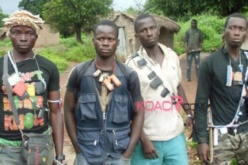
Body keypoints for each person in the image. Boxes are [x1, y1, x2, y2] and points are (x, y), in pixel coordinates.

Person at [64, 20, 144, 165]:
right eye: (101, 39)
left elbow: (139, 112)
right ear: (93, 41)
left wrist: (126, 156)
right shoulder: (79, 73)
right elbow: (68, 111)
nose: (105, 43)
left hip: (118, 154)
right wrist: (78, 151)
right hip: (86, 154)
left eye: (110, 39)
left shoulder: (128, 75)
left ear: (117, 42)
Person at [126, 13, 193, 165]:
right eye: (143, 30)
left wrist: (189, 113)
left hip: (175, 136)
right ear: (137, 35)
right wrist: (143, 139)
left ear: (158, 30)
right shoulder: (131, 65)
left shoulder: (172, 56)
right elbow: (127, 106)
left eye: (152, 28)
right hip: (147, 139)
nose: (149, 33)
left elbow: (178, 86)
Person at [0, 10, 64, 165]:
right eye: (16, 32)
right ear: (9, 35)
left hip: (41, 146)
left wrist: (60, 155)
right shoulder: (1, 65)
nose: (23, 38)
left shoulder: (48, 67)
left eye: (29, 33)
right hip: (6, 149)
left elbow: (56, 113)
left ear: (36, 36)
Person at [194, 13, 248, 164]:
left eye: (241, 29)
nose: (236, 32)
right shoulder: (210, 62)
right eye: (232, 28)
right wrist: (202, 140)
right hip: (221, 133)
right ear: (224, 31)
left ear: (246, 33)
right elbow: (201, 103)